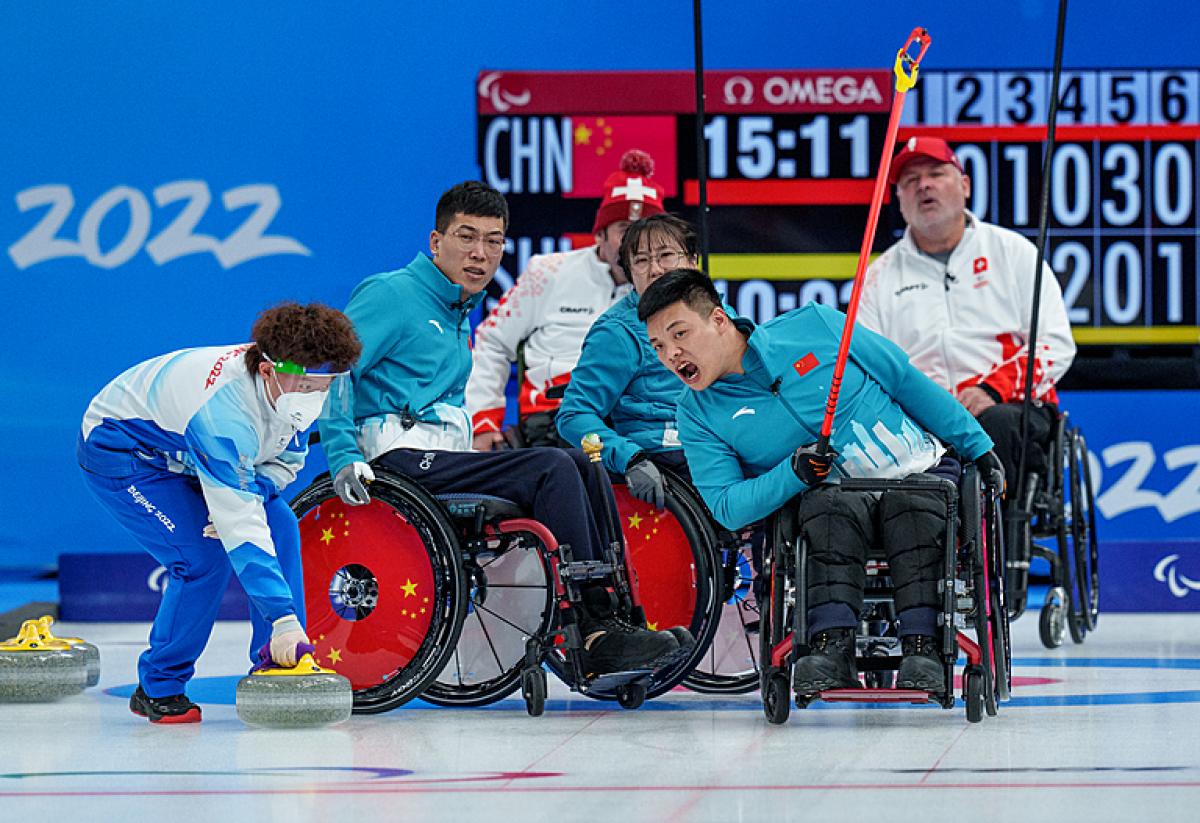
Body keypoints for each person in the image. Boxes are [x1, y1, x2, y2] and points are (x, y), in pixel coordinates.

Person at [318, 180, 690, 677]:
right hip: (393, 461)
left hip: (442, 459)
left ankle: (615, 620)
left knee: (582, 462)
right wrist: (343, 454)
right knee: (553, 464)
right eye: (467, 238)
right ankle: (593, 631)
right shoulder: (392, 294)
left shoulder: (454, 311)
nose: (480, 253)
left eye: (493, 242)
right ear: (435, 242)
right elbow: (334, 370)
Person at [639, 268, 1002, 695]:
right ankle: (831, 647)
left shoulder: (817, 325)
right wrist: (791, 473)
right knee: (826, 512)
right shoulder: (696, 413)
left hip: (914, 470)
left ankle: (923, 647)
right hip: (830, 496)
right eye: (659, 346)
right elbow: (726, 505)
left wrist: (978, 446)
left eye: (680, 334)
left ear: (718, 320)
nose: (671, 355)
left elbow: (904, 380)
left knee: (913, 505)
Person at [77, 302, 363, 723]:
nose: (316, 395)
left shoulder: (294, 386)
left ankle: (279, 659)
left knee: (280, 522)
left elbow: (283, 465)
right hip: (125, 453)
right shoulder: (224, 414)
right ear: (268, 371)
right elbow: (241, 525)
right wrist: (282, 614)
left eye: (327, 384)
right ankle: (160, 686)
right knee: (201, 559)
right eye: (307, 385)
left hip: (189, 454)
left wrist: (241, 496)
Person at [858, 136, 1076, 489]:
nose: (924, 185)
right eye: (910, 181)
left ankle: (993, 542)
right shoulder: (878, 277)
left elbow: (1055, 344)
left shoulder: (1014, 253)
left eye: (935, 173)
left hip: (1010, 408)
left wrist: (991, 390)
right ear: (899, 201)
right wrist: (928, 408)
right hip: (921, 421)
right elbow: (870, 368)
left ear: (965, 185)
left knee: (998, 425)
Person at [467, 150, 665, 450]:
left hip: (633, 424)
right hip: (552, 424)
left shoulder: (667, 289)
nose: (635, 244)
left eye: (645, 232)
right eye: (624, 230)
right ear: (600, 233)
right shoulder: (547, 272)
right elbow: (491, 341)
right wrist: (483, 422)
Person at [557, 213, 701, 507]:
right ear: (630, 273)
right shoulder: (617, 333)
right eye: (642, 261)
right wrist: (630, 458)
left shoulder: (721, 317)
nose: (656, 270)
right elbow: (573, 415)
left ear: (693, 261)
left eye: (666, 256)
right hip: (669, 458)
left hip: (720, 446)